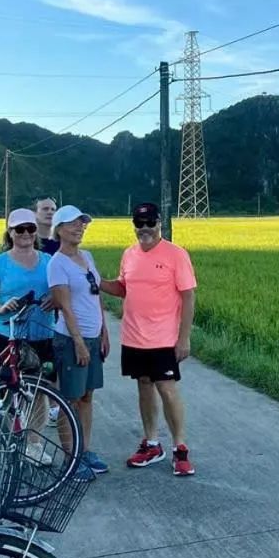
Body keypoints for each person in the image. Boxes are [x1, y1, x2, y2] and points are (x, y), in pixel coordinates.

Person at [98, 201, 197, 476]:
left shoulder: (176, 255)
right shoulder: (129, 255)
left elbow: (188, 297)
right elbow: (122, 288)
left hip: (164, 337)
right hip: (133, 336)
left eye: (149, 223)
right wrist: (97, 281)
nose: (144, 229)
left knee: (166, 388)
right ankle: (152, 443)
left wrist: (183, 338)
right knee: (144, 385)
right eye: (139, 224)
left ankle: (180, 448)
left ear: (159, 223)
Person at [46, 206, 109, 475]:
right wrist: (79, 341)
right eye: (73, 224)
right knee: (69, 399)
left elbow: (97, 296)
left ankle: (84, 450)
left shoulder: (87, 256)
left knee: (87, 396)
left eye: (82, 224)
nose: (79, 228)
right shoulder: (57, 263)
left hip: (94, 337)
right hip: (72, 340)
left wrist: (104, 331)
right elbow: (65, 306)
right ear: (59, 229)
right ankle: (70, 459)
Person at [0, 208, 56, 363]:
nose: (26, 233)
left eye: (31, 228)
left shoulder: (49, 261)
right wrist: (1, 308)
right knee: (5, 385)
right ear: (10, 232)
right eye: (20, 229)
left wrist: (56, 298)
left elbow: (67, 291)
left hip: (44, 336)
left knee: (44, 385)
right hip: (7, 337)